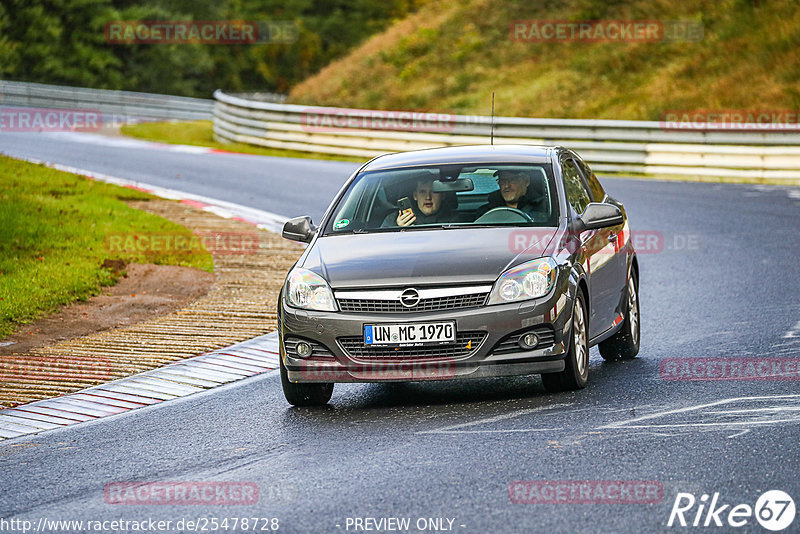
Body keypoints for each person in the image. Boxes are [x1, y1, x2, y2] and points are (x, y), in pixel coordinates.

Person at [382, 179, 459, 227]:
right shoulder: (394, 219)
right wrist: (398, 229)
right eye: (422, 192)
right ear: (415, 196)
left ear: (443, 195)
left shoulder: (458, 221)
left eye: (434, 191)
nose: (428, 197)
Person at [474, 169, 542, 219]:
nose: (506, 186)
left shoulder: (544, 209)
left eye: (512, 180)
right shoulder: (486, 212)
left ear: (527, 181)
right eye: (502, 181)